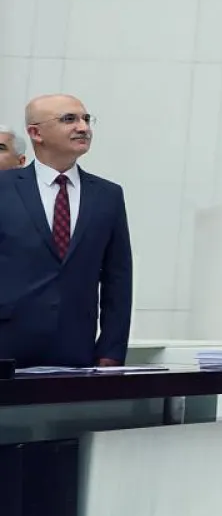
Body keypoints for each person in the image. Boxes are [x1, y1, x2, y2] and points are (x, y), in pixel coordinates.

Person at [0, 94, 132, 368]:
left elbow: (117, 279)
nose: (83, 127)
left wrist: (112, 350)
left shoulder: (108, 195)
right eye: (69, 119)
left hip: (77, 351)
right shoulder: (4, 188)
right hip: (7, 348)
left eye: (86, 119)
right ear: (36, 133)